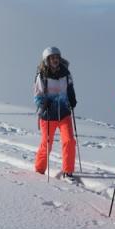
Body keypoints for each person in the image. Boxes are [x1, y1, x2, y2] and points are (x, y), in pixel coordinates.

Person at [33, 47, 78, 179]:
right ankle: (39, 170)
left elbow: (70, 88)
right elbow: (37, 95)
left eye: (57, 57)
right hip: (48, 115)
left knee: (69, 141)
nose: (55, 60)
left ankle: (68, 171)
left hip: (64, 113)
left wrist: (72, 99)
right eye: (52, 58)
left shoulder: (66, 73)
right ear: (47, 60)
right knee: (46, 143)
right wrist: (42, 103)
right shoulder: (42, 75)